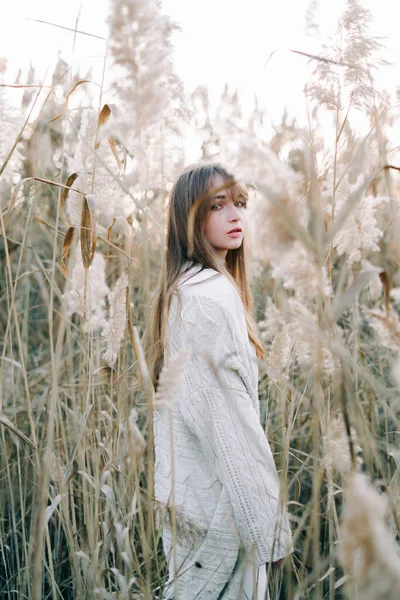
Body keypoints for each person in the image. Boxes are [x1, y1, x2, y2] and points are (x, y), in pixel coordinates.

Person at [145, 162, 293, 599]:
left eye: (240, 203)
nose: (235, 216)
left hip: (195, 519)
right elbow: (233, 427)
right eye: (217, 205)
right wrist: (271, 526)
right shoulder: (209, 299)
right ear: (189, 218)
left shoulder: (186, 291)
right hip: (224, 527)